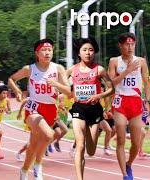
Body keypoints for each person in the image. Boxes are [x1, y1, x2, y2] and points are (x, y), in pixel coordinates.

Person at [8, 39, 71, 180]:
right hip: (33, 108)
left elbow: (69, 91)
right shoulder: (29, 69)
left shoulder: (58, 69)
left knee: (33, 145)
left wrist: (56, 84)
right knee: (49, 135)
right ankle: (38, 165)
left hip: (50, 110)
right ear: (37, 53)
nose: (48, 52)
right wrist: (17, 91)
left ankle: (24, 171)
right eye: (44, 50)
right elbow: (11, 79)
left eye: (50, 50)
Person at [66, 37, 114, 180]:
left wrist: (99, 95)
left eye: (91, 50)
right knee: (80, 145)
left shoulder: (99, 70)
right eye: (84, 50)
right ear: (79, 53)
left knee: (91, 151)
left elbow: (112, 89)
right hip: (79, 109)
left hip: (94, 111)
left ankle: (91, 130)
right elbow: (61, 84)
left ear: (94, 52)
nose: (88, 53)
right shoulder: (72, 70)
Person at [108, 32, 150, 180]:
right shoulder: (114, 61)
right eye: (127, 44)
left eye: (132, 44)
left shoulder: (141, 62)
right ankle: (125, 176)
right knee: (120, 138)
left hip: (136, 102)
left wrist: (148, 101)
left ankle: (129, 164)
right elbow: (112, 83)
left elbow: (146, 82)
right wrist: (127, 70)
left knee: (136, 142)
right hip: (120, 101)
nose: (130, 47)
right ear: (121, 45)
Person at [0, 85, 11, 160]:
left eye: (6, 93)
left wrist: (7, 110)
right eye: (3, 93)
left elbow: (9, 111)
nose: (5, 95)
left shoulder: (7, 100)